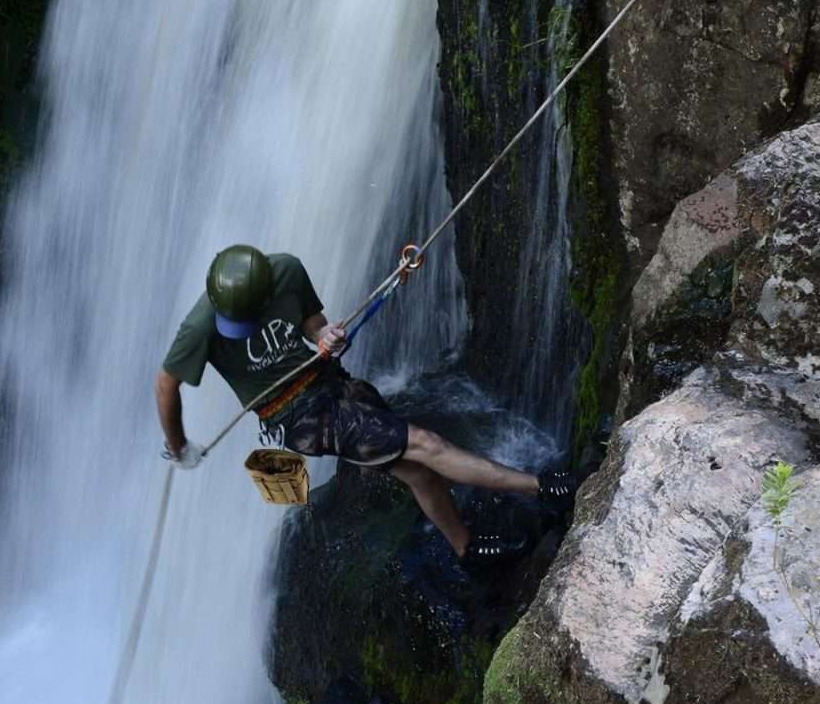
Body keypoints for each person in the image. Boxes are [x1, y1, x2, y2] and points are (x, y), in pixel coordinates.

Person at [155, 244, 577, 570]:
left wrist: (324, 336)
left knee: (416, 469)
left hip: (330, 384)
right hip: (299, 418)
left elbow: (312, 321)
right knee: (426, 443)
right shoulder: (201, 325)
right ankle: (542, 488)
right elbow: (166, 385)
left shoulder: (286, 271)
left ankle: (466, 552)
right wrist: (179, 447)